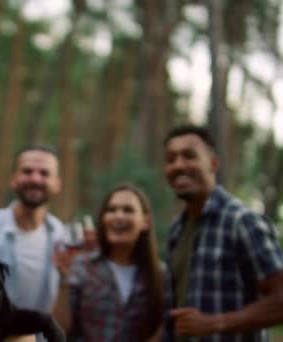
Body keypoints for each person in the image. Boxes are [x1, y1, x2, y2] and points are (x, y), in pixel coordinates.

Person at [162, 125, 283, 341]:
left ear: (213, 163)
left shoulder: (242, 221)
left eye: (189, 156)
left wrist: (215, 323)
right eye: (171, 159)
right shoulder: (176, 230)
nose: (178, 165)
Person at [0, 145, 92, 313]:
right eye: (27, 171)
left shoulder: (63, 238)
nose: (35, 179)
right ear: (13, 179)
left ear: (57, 184)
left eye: (44, 173)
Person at [52, 183, 164, 341]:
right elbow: (60, 329)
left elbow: (164, 328)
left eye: (128, 210)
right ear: (103, 219)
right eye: (111, 210)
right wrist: (63, 279)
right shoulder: (82, 266)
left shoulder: (160, 274)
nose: (118, 216)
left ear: (146, 221)